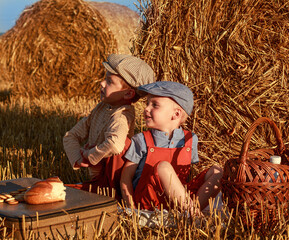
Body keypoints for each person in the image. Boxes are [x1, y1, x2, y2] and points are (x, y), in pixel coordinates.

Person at [120, 81, 223, 215]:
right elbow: (125, 178)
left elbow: (186, 177)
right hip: (149, 202)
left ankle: (193, 211)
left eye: (154, 105)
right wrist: (131, 208)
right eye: (147, 104)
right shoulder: (141, 140)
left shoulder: (190, 140)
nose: (146, 109)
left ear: (176, 114)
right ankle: (193, 215)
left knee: (218, 171)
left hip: (178, 201)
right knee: (164, 167)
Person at [63, 54, 155, 200]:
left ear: (128, 93)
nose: (102, 83)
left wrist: (89, 155)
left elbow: (116, 145)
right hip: (99, 178)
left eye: (109, 81)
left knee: (124, 143)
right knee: (60, 191)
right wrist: (78, 159)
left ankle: (115, 197)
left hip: (114, 180)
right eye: (105, 78)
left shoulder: (123, 115)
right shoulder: (101, 109)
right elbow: (71, 136)